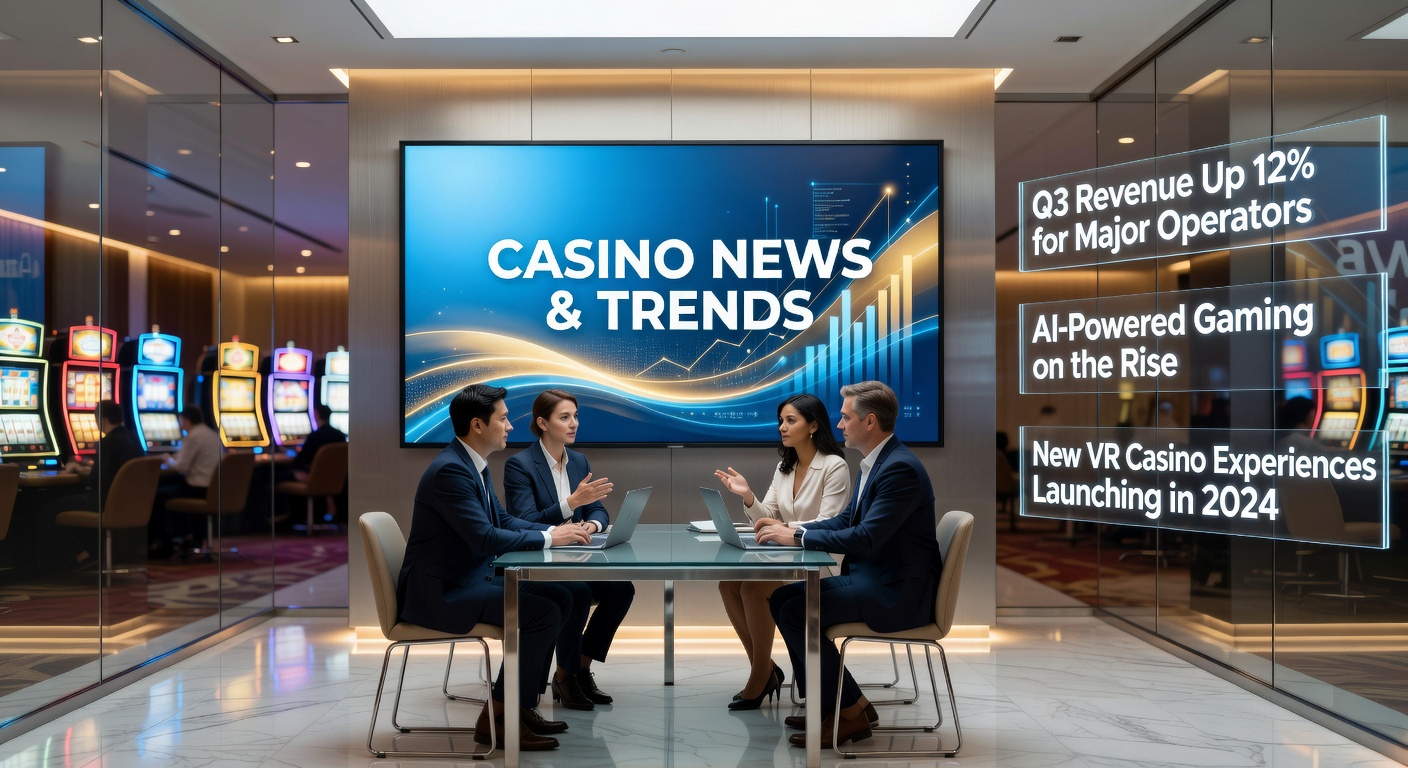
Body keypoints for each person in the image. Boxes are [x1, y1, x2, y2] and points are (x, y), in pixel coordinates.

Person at [396, 383, 594, 751]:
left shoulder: (473, 464)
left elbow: (502, 519)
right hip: (444, 593)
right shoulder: (450, 472)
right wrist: (552, 540)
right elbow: (486, 538)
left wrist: (555, 530)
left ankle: (523, 706)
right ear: (477, 425)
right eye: (503, 419)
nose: (510, 426)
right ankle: (497, 719)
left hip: (467, 578)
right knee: (541, 612)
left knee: (564, 597)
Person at [758, 381, 939, 748]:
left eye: (845, 417)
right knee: (782, 602)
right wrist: (791, 528)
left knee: (796, 612)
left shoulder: (898, 469)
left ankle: (848, 711)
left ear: (869, 422)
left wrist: (795, 538)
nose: (838, 425)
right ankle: (840, 705)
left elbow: (866, 537)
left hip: (895, 592)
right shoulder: (877, 462)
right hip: (876, 578)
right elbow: (846, 522)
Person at [712, 393, 849, 710]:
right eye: (781, 421)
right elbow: (769, 517)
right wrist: (748, 497)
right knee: (729, 584)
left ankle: (760, 675)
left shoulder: (834, 466)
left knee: (753, 587)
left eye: (791, 420)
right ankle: (766, 668)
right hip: (788, 559)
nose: (782, 427)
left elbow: (831, 522)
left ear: (813, 425)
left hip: (820, 563)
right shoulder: (785, 467)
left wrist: (787, 528)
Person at [503, 389, 634, 710]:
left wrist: (591, 525)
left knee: (622, 590)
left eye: (575, 417)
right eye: (565, 417)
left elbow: (599, 510)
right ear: (542, 423)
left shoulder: (578, 461)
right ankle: (566, 675)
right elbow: (523, 521)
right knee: (575, 591)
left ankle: (578, 668)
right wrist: (570, 504)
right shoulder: (519, 465)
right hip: (539, 561)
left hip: (575, 558)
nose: (574, 424)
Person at [152, 405, 222, 559]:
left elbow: (180, 467)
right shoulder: (212, 434)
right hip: (213, 488)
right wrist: (173, 457)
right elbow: (184, 457)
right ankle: (185, 538)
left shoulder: (193, 437)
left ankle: (164, 543)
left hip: (198, 488)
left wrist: (166, 458)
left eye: (181, 420)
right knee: (169, 490)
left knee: (157, 495)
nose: (180, 424)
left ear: (186, 420)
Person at [290, 403, 346, 480]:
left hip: (313, 478)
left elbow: (299, 462)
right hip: (335, 479)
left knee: (274, 476)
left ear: (316, 414)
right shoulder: (340, 436)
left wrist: (289, 454)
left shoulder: (315, 436)